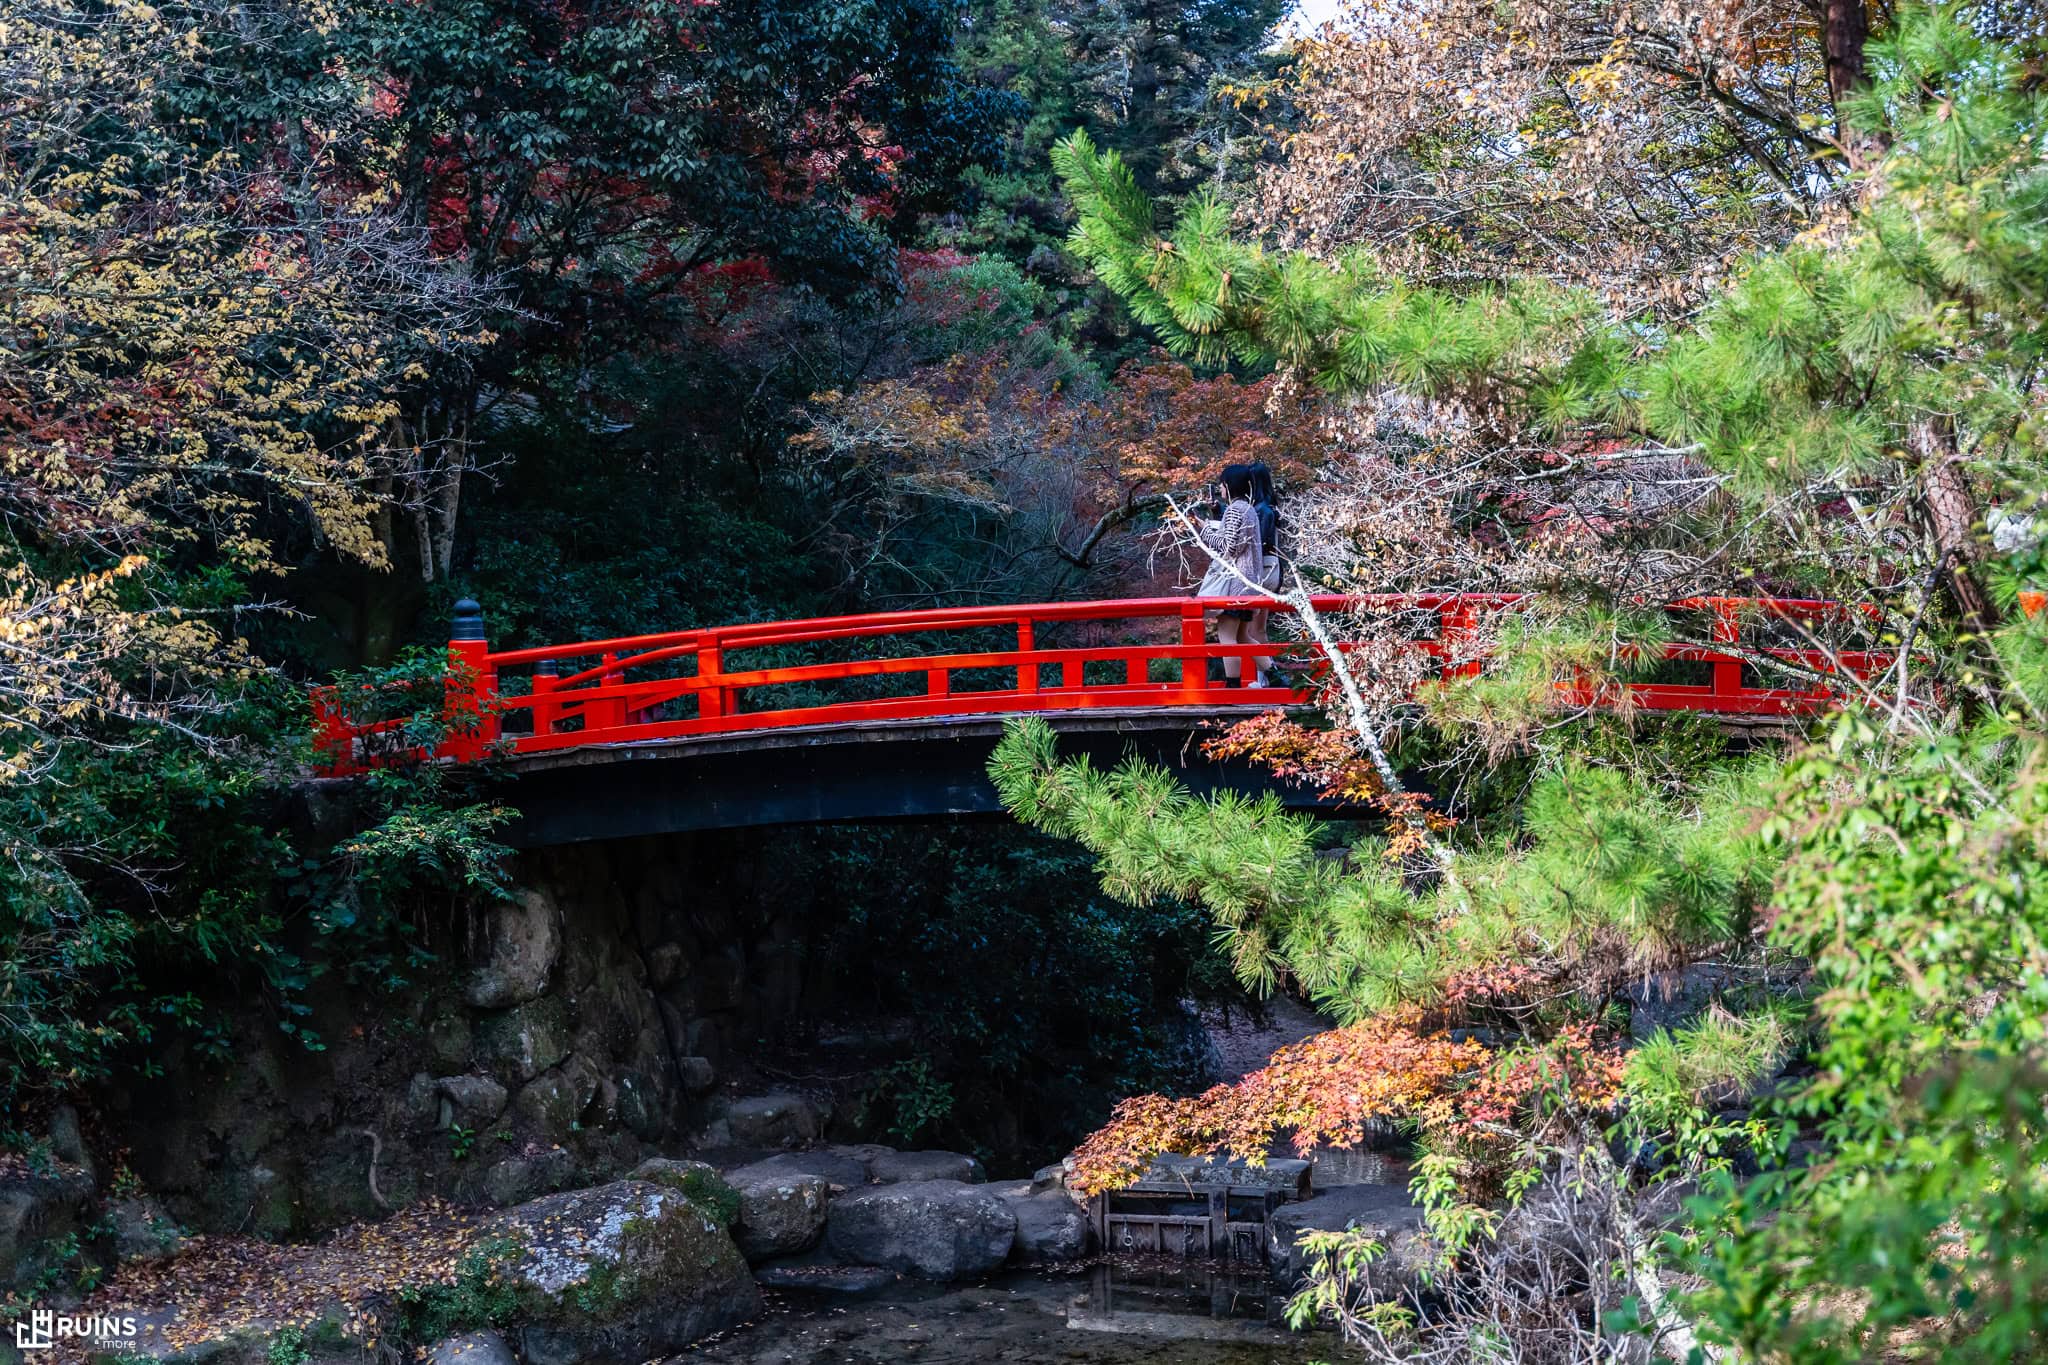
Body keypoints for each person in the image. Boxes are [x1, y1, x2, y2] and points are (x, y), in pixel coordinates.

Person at [1198, 464, 1265, 685]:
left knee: (1226, 636)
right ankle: (1276, 676)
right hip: (1250, 581)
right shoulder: (1249, 509)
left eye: (1222, 483)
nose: (1220, 488)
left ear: (1229, 484)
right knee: (1243, 636)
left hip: (1235, 582)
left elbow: (1228, 548)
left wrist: (1205, 529)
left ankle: (1232, 686)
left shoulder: (1236, 510)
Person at [1246, 462, 1282, 688]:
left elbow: (1261, 543)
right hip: (1269, 571)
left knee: (1255, 629)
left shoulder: (1263, 511)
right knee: (1257, 628)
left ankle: (1266, 677)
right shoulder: (1268, 508)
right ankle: (1265, 677)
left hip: (1262, 572)